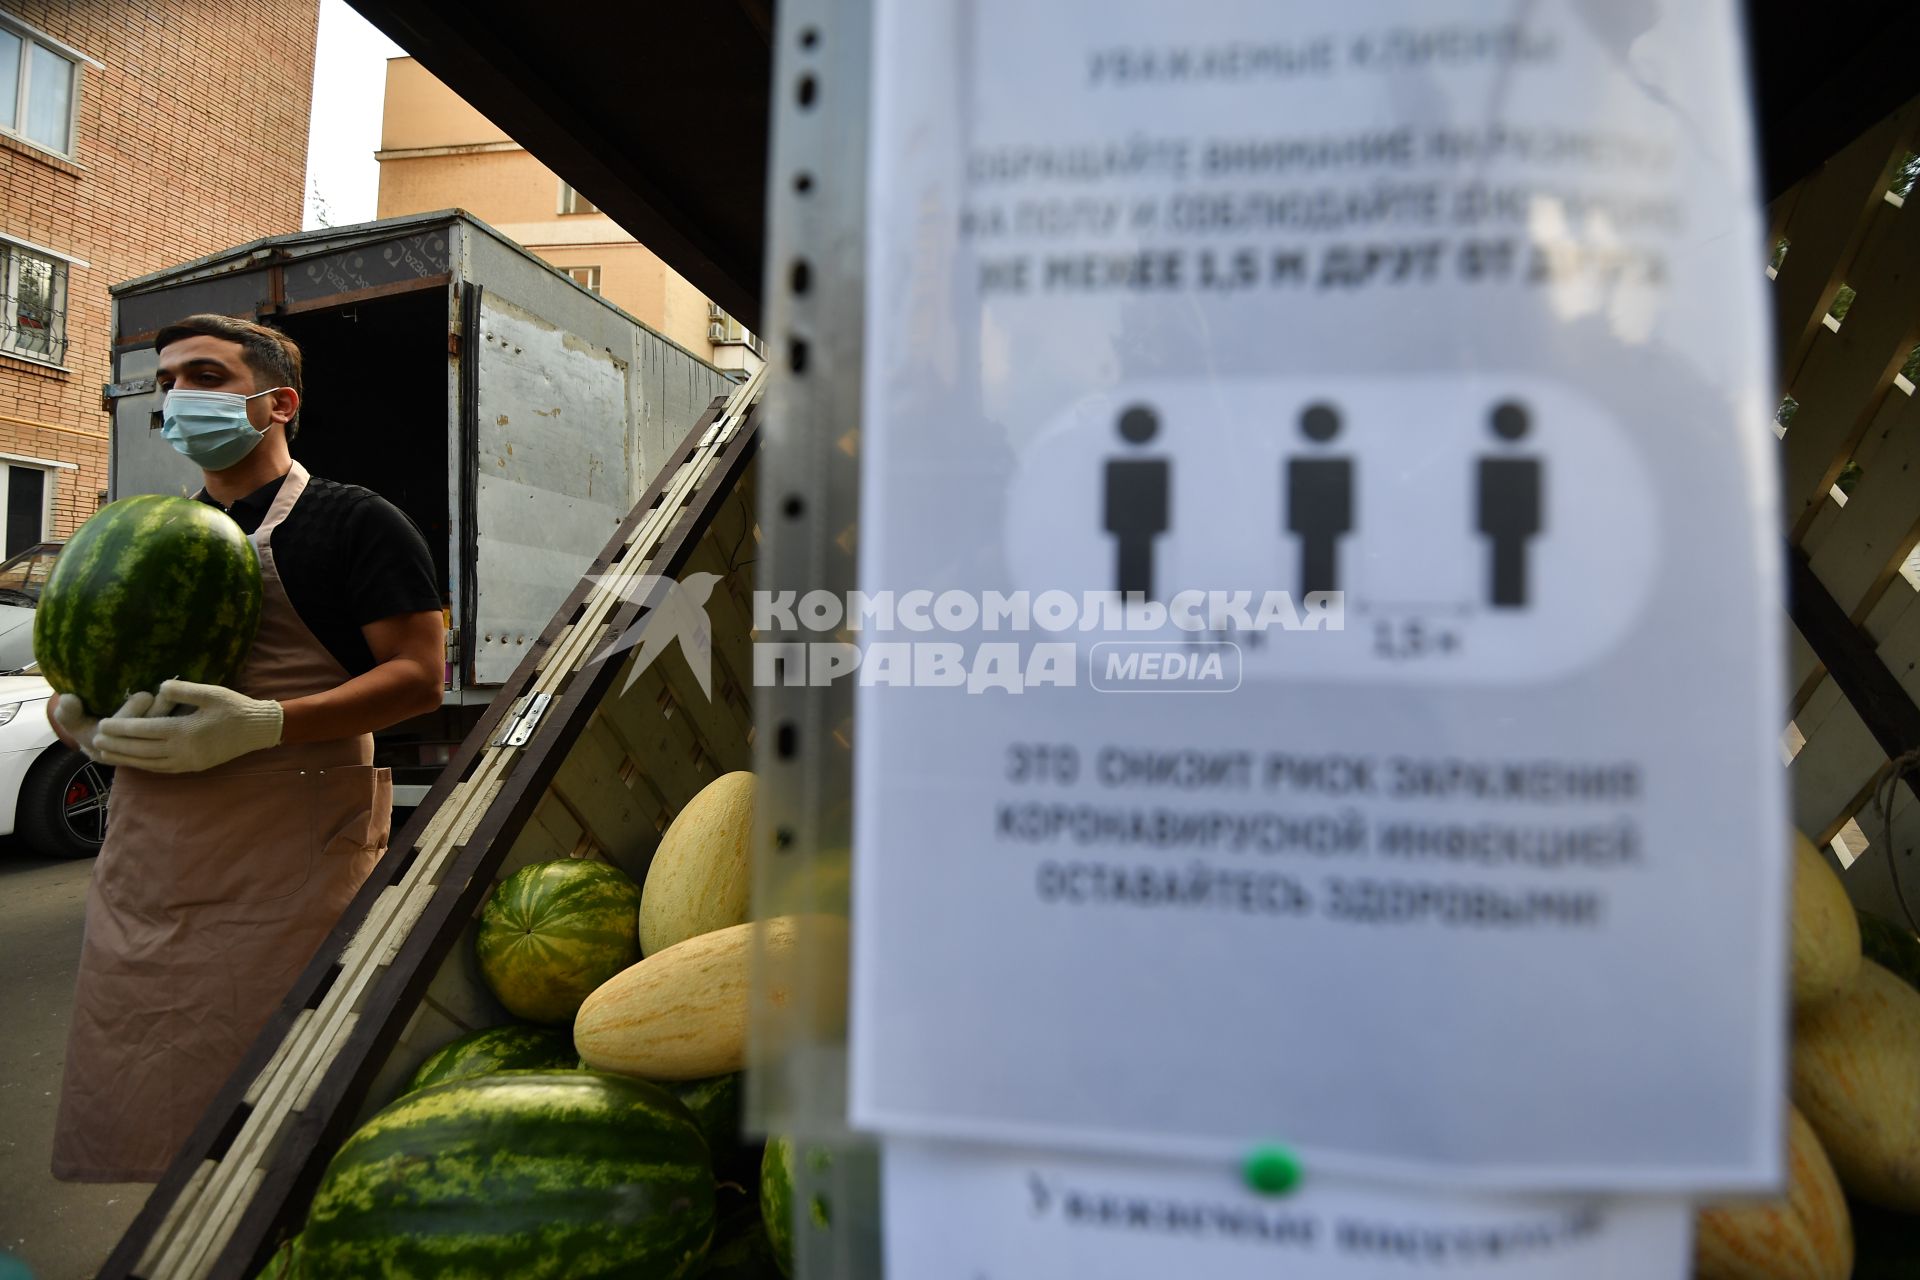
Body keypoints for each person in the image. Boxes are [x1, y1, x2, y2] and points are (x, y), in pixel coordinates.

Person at [45, 314, 446, 1182]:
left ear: (277, 403)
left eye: (206, 376)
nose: (180, 397)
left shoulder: (355, 522)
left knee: (290, 1113)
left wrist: (266, 721)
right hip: (154, 862)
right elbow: (87, 670)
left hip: (290, 856)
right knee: (158, 1108)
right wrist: (73, 718)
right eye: (167, 383)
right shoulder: (145, 530)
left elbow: (420, 678)